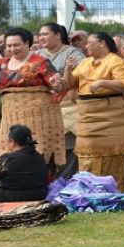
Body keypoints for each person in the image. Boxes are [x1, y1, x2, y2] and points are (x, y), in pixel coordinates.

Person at [0, 27, 67, 173]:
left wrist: (57, 82)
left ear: (27, 43)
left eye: (16, 45)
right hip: (12, 114)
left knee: (39, 150)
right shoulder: (2, 63)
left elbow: (56, 83)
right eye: (9, 46)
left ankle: (42, 186)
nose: (12, 49)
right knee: (13, 149)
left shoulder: (40, 62)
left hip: (40, 116)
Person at [65, 32, 124, 190]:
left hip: (110, 115)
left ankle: (112, 190)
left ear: (102, 43)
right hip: (87, 116)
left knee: (111, 154)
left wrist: (102, 82)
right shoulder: (85, 62)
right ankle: (87, 189)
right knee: (86, 151)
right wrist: (68, 69)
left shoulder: (116, 62)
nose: (86, 46)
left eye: (90, 43)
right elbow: (70, 84)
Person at [37, 22, 86, 178]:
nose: (42, 37)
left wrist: (67, 74)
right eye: (40, 35)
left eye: (45, 34)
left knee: (68, 145)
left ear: (57, 35)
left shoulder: (73, 53)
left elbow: (83, 70)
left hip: (68, 104)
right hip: (43, 107)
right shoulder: (37, 55)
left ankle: (68, 181)